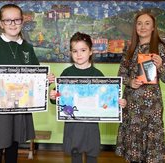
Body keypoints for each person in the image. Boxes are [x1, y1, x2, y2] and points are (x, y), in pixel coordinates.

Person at [0, 4, 54, 163]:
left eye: (16, 20)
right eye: (8, 20)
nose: (12, 24)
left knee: (14, 145)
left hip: (20, 105)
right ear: (1, 23)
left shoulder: (27, 48)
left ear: (22, 22)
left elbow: (35, 76)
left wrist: (45, 80)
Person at [49, 32, 127, 163]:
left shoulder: (97, 74)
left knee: (92, 154)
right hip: (73, 123)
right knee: (75, 154)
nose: (79, 54)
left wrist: (118, 103)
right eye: (75, 51)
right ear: (71, 53)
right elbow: (58, 99)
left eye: (83, 50)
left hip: (91, 124)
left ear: (91, 51)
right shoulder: (67, 73)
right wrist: (53, 96)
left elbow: (106, 101)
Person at [115, 11, 165, 163]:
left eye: (147, 23)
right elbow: (120, 75)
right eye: (139, 23)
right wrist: (130, 82)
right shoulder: (129, 49)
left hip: (152, 108)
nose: (143, 27)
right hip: (132, 107)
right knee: (133, 153)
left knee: (151, 154)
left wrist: (161, 66)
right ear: (135, 27)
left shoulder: (161, 49)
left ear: (153, 27)